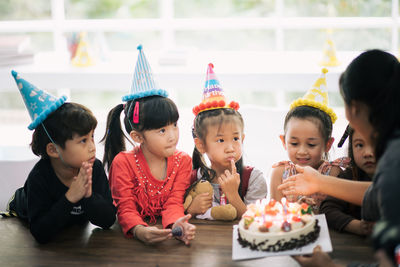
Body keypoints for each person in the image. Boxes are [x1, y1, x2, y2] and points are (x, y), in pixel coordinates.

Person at [279, 50, 400, 266]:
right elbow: (380, 192)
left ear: (353, 109)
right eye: (294, 142)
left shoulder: (393, 162)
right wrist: (318, 182)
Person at [3, 71, 116, 244]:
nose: (93, 147)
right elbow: (40, 233)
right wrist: (71, 196)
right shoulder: (40, 177)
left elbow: (108, 221)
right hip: (19, 217)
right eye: (83, 141)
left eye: (92, 137)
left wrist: (87, 196)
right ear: (53, 150)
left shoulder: (94, 168)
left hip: (70, 232)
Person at [102, 45, 195, 245]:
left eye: (175, 125)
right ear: (138, 137)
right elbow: (125, 208)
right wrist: (139, 231)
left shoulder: (183, 161)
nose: (172, 136)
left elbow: (174, 202)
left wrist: (177, 225)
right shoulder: (123, 163)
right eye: (162, 130)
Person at [186, 63, 268, 219]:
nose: (230, 147)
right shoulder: (193, 179)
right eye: (220, 140)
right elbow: (180, 214)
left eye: (236, 138)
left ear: (242, 139)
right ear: (201, 145)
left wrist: (232, 194)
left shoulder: (254, 179)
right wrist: (191, 209)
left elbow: (255, 221)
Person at [270, 68, 349, 210]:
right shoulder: (279, 173)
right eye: (294, 143)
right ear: (283, 141)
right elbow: (274, 214)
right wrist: (297, 209)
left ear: (327, 144)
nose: (301, 151)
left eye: (311, 144)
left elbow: (338, 212)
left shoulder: (334, 173)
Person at [320, 127, 376, 236]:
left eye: (376, 144)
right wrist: (359, 227)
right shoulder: (350, 175)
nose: (368, 153)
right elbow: (328, 209)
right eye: (359, 145)